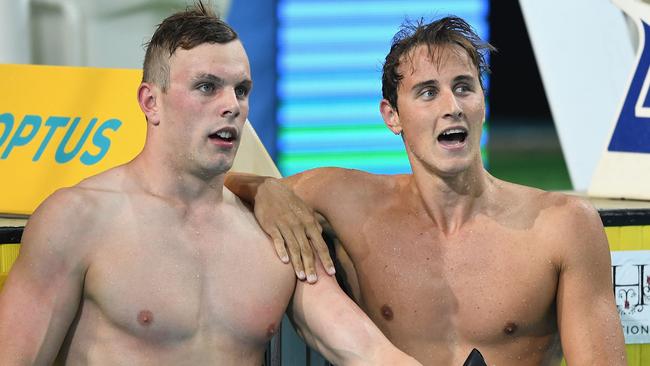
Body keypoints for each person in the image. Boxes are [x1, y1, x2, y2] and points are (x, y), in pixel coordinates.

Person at [0, 3, 421, 365]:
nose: (231, 106)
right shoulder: (78, 219)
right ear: (151, 102)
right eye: (207, 87)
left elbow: (365, 351)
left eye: (242, 90)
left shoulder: (272, 233)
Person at [225, 16, 627, 365]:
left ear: (483, 101)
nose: (451, 105)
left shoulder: (562, 226)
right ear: (392, 116)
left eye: (465, 87)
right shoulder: (344, 200)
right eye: (428, 92)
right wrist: (263, 190)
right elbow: (204, 183)